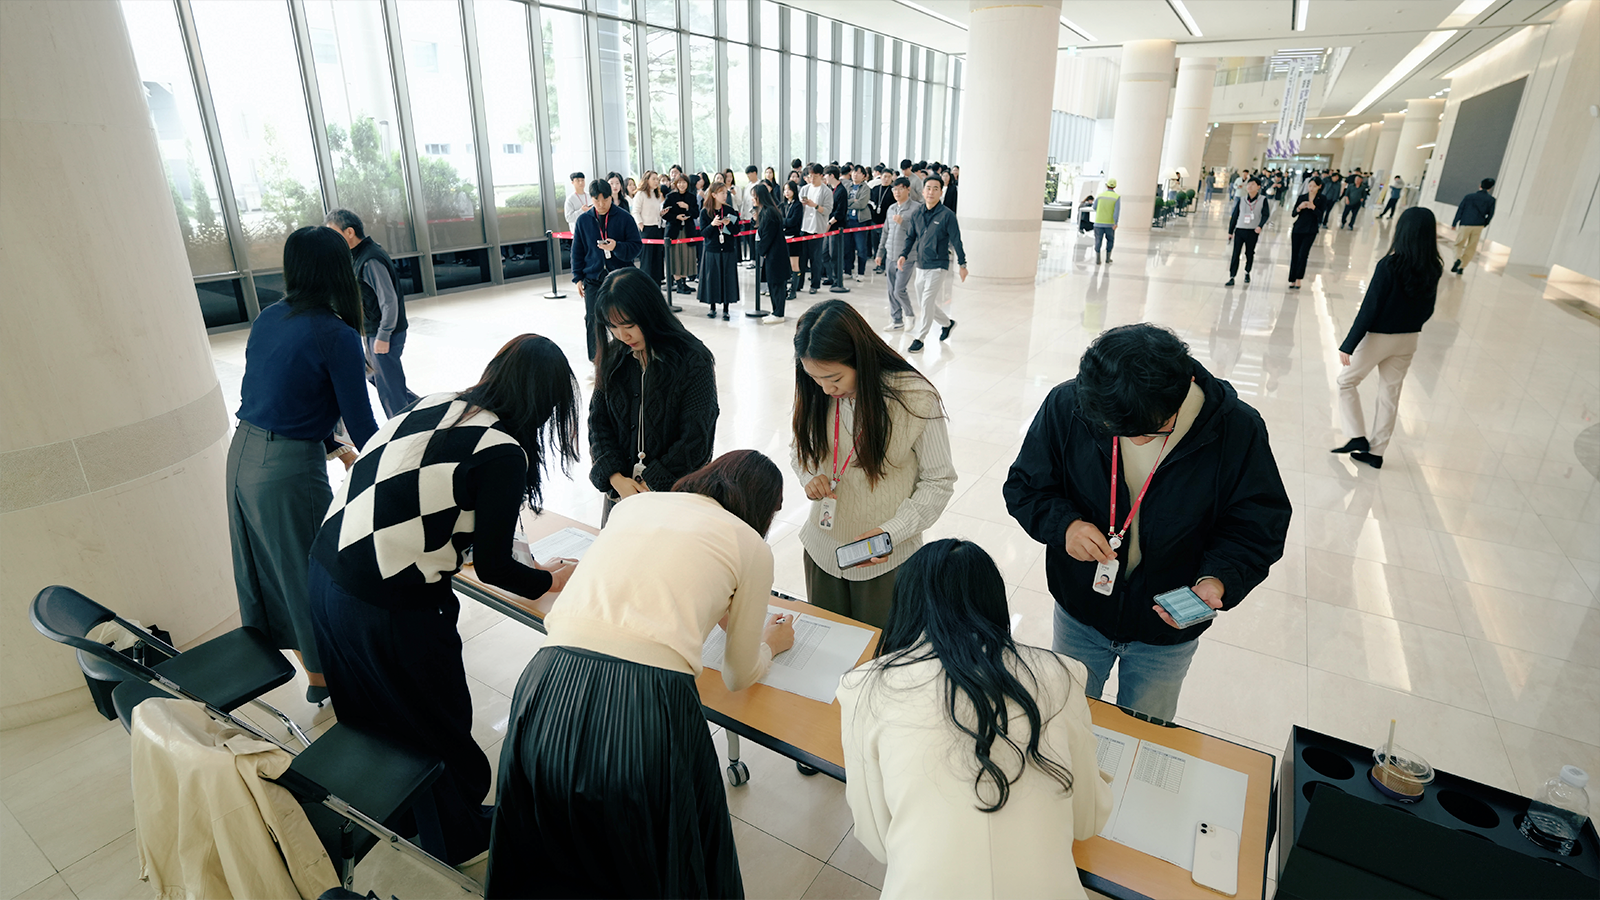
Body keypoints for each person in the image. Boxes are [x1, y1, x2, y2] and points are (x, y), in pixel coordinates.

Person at [310, 334, 582, 865]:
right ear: (544, 404)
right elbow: (501, 566)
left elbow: (421, 488)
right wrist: (548, 580)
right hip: (388, 601)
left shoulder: (437, 402)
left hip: (326, 573)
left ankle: (404, 812)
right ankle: (456, 834)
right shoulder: (503, 449)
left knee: (373, 709)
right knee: (437, 715)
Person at [486, 451, 798, 898]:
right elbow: (737, 675)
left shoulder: (632, 506)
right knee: (657, 858)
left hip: (545, 681)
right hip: (645, 702)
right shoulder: (751, 544)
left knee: (548, 847)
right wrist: (771, 642)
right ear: (764, 508)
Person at [1003, 324, 1291, 721]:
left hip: (1166, 634)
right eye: (1122, 432)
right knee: (1066, 721)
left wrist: (1218, 579)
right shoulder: (1070, 405)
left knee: (1146, 732)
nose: (1139, 442)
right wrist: (1065, 526)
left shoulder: (1236, 429)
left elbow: (1257, 523)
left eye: (1154, 430)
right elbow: (1025, 486)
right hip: (1080, 612)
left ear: (1185, 387)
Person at [838, 540, 1112, 900]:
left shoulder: (864, 687)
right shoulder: (1062, 676)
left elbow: (876, 839)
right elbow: (1088, 819)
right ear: (994, 601)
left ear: (905, 603)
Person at [228, 226, 379, 706]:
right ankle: (324, 676)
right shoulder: (334, 333)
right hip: (286, 468)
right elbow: (363, 424)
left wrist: (334, 447)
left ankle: (306, 665)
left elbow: (280, 393)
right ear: (339, 269)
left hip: (242, 455)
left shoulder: (270, 316)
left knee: (264, 570)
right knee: (310, 572)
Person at [791, 300, 956, 627]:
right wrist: (810, 475)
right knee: (830, 650)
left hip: (885, 559)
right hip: (822, 549)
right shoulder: (818, 391)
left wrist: (891, 533)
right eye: (815, 378)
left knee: (880, 657)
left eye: (834, 377)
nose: (826, 388)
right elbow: (800, 447)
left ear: (860, 359)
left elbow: (939, 482)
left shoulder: (914, 398)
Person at [588, 268, 718, 523]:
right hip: (621, 496)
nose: (622, 336)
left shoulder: (693, 360)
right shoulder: (614, 357)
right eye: (612, 327)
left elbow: (696, 438)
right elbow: (598, 422)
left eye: (629, 325)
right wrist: (617, 480)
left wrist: (648, 483)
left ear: (651, 314)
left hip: (674, 497)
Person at [1332, 207, 1443, 470]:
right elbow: (1429, 310)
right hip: (1409, 339)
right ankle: (1377, 453)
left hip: (1379, 338)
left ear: (1402, 231)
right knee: (1389, 395)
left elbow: (1370, 308)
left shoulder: (1389, 265)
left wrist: (1349, 344)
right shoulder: (1433, 268)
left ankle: (1357, 435)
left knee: (1346, 382)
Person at [326, 209, 417, 417]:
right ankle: (423, 409)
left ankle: (401, 430)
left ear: (349, 232)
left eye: (334, 232)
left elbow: (389, 300)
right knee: (374, 376)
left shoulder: (370, 259)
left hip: (383, 333)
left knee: (389, 391)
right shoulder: (358, 256)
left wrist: (384, 335)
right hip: (371, 331)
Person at [571, 179, 643, 362]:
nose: (601, 204)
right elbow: (577, 251)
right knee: (593, 320)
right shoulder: (583, 220)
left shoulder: (624, 217)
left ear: (612, 197)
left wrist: (616, 247)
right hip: (593, 277)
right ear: (591, 199)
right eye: (596, 200)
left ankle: (628, 355)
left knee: (625, 318)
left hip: (620, 278)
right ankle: (597, 359)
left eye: (605, 200)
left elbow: (636, 247)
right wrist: (577, 278)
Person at [898, 177, 966, 353]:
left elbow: (956, 240)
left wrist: (962, 263)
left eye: (936, 188)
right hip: (921, 264)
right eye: (928, 188)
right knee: (925, 302)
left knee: (927, 300)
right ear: (923, 191)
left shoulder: (947, 215)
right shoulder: (917, 213)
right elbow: (911, 236)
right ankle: (947, 323)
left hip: (939, 265)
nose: (931, 192)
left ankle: (920, 338)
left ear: (940, 192)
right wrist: (903, 255)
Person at [877, 177, 919, 331]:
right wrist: (880, 253)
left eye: (901, 188)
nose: (897, 192)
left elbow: (919, 233)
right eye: (895, 189)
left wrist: (904, 223)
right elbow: (885, 232)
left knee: (899, 290)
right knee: (890, 290)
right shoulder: (891, 209)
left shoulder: (916, 209)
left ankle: (909, 315)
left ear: (908, 189)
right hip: (890, 255)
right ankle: (897, 320)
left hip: (906, 256)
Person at [697, 181, 741, 320]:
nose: (725, 196)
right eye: (722, 193)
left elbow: (736, 231)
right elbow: (704, 233)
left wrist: (729, 225)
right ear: (714, 194)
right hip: (712, 250)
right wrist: (712, 225)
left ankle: (726, 308)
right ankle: (712, 307)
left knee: (727, 278)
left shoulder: (730, 211)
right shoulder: (705, 212)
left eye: (726, 193)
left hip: (727, 249)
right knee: (713, 279)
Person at [753, 182, 793, 323]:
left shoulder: (769, 212)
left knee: (777, 284)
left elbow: (767, 236)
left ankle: (779, 313)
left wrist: (761, 250)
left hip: (775, 254)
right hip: (773, 253)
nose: (753, 199)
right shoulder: (767, 210)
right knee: (773, 283)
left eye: (754, 196)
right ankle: (776, 311)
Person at [1225, 178, 1269, 287]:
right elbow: (1235, 215)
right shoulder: (1242, 199)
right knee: (1236, 253)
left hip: (1252, 231)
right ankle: (1232, 276)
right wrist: (1230, 231)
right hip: (1240, 229)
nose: (1249, 186)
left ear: (1258, 187)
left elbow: (1265, 214)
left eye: (1253, 184)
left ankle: (1247, 272)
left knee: (1249, 253)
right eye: (1248, 184)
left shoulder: (1263, 199)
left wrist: (1260, 226)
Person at [1287, 177, 1329, 289]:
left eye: (1314, 186)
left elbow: (1321, 217)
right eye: (1310, 185)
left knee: (1303, 254)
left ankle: (1299, 278)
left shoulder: (1322, 199)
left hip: (1310, 230)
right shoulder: (1302, 197)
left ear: (1319, 187)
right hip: (1298, 229)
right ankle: (1292, 279)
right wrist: (1299, 208)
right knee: (1295, 254)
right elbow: (1293, 214)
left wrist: (1314, 208)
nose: (1311, 188)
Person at [1450, 177, 1496, 274]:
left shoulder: (1469, 197)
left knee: (1458, 244)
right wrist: (1485, 223)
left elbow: (1460, 210)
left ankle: (1458, 259)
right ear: (1490, 188)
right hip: (1479, 225)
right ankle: (1462, 267)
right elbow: (1490, 214)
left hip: (1465, 223)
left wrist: (1454, 223)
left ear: (1480, 185)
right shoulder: (1491, 200)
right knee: (1471, 247)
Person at [663, 173, 699, 295]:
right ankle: (678, 284)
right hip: (674, 231)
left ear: (687, 184)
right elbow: (665, 214)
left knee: (686, 257)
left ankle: (684, 283)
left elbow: (696, 213)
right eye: (679, 183)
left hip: (688, 231)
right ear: (676, 184)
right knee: (675, 257)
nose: (681, 185)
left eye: (684, 182)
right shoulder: (670, 197)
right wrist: (676, 217)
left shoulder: (692, 197)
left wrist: (687, 207)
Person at [799, 163, 832, 294]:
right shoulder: (804, 189)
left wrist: (815, 205)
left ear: (821, 176)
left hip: (817, 228)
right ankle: (798, 284)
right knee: (802, 258)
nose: (812, 179)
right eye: (810, 176)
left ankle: (815, 284)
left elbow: (827, 210)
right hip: (804, 227)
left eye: (815, 176)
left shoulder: (826, 191)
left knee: (815, 259)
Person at [635, 170, 666, 287]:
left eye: (657, 179)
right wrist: (641, 224)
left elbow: (654, 211)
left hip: (657, 228)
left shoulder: (656, 194)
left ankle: (656, 284)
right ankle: (646, 286)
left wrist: (661, 213)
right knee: (647, 260)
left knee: (657, 259)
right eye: (653, 179)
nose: (656, 181)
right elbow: (636, 211)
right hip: (646, 229)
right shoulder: (641, 194)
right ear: (646, 180)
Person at [1091, 178, 1119, 265]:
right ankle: (1108, 258)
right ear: (1115, 186)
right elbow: (1116, 211)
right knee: (1110, 240)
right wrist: (1115, 223)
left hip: (1098, 223)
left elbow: (1094, 207)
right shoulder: (1117, 197)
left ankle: (1098, 259)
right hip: (1109, 224)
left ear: (1107, 186)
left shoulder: (1100, 195)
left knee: (1098, 240)